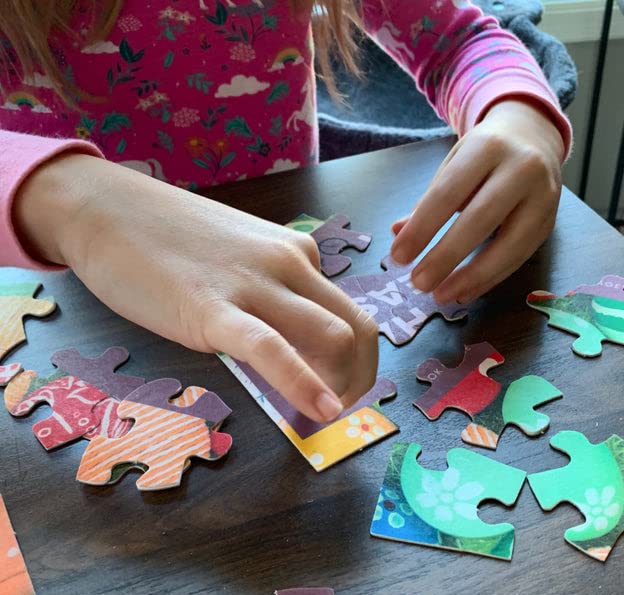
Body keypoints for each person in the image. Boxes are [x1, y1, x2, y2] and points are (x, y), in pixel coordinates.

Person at [0, 0, 571, 424]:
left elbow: (457, 40)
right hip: (76, 313)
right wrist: (70, 202)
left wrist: (520, 115)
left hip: (295, 282)